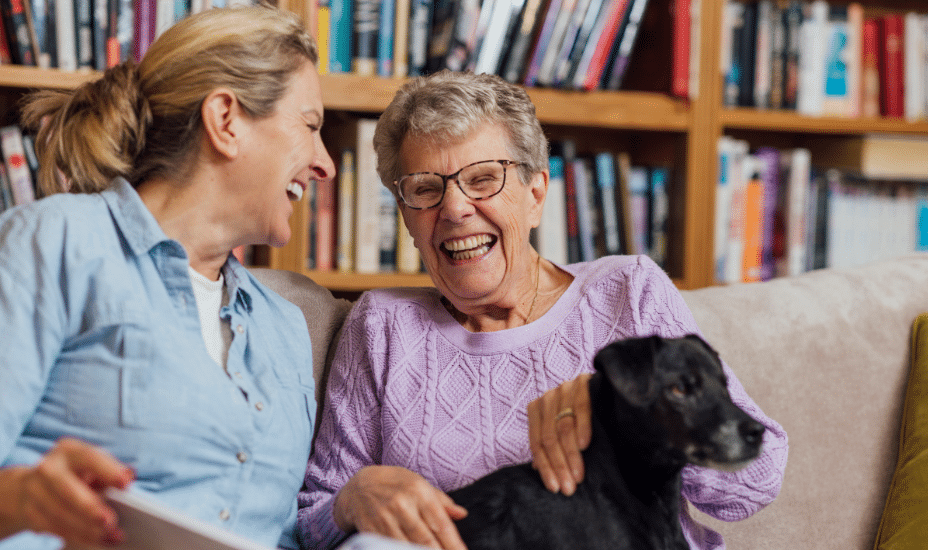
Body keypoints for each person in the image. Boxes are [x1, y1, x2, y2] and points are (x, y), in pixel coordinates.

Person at [297, 70, 788, 550]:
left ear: (535, 196)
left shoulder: (627, 292)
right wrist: (351, 500)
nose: (454, 209)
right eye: (425, 188)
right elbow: (309, 522)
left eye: (483, 179)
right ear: (405, 214)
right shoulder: (382, 327)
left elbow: (757, 480)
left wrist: (622, 411)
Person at [0, 6, 335, 550]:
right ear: (226, 120)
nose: (327, 165)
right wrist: (22, 496)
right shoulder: (55, 243)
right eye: (311, 125)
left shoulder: (286, 329)